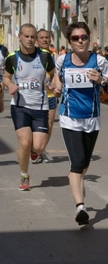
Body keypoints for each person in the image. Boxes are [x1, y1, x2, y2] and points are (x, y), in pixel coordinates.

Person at [51, 22, 108, 225]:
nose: (80, 41)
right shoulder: (63, 60)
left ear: (89, 39)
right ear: (69, 41)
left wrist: (101, 81)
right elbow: (57, 78)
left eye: (83, 37)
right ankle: (80, 207)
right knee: (77, 162)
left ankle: (75, 178)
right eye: (75, 38)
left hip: (92, 118)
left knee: (84, 164)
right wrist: (57, 87)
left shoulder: (100, 61)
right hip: (69, 117)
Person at [3, 23, 56, 191]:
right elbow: (5, 77)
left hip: (40, 106)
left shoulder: (45, 56)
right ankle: (24, 175)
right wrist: (10, 85)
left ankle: (34, 151)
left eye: (33, 37)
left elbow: (54, 75)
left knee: (39, 147)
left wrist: (52, 83)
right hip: (20, 106)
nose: (30, 40)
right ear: (20, 37)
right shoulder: (12, 57)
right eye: (27, 36)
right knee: (24, 142)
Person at [35, 29, 59, 164]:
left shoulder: (52, 54)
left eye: (47, 37)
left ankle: (41, 151)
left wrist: (56, 87)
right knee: (37, 126)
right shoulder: (34, 54)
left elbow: (54, 74)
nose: (45, 40)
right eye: (42, 37)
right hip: (37, 96)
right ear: (37, 40)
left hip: (50, 96)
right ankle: (36, 149)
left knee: (49, 125)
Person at [0, 43, 9, 113]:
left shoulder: (3, 49)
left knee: (0, 94)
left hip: (1, 75)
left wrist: (6, 66)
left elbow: (9, 59)